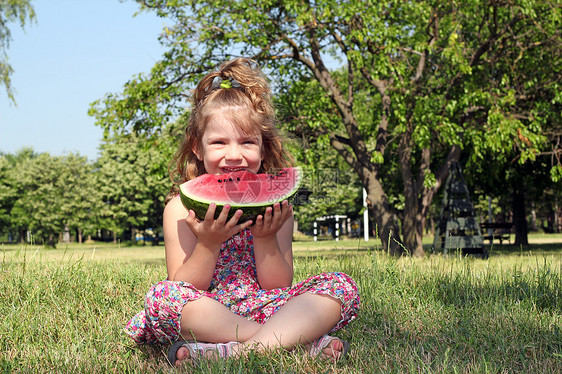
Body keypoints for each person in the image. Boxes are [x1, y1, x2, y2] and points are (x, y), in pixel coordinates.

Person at [124, 57, 360, 366]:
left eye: (247, 142)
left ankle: (235, 351)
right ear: (197, 147)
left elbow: (278, 286)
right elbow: (182, 285)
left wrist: (265, 238)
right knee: (162, 299)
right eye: (219, 142)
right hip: (209, 311)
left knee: (342, 287)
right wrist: (208, 244)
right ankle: (292, 340)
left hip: (265, 303)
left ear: (263, 147)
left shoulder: (277, 208)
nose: (234, 155)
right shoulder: (180, 208)